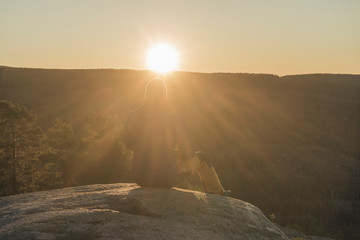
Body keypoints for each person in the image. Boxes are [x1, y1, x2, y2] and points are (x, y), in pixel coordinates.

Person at [123, 77, 226, 195]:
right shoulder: (175, 119)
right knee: (202, 157)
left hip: (141, 177)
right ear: (164, 96)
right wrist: (173, 151)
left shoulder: (134, 116)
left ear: (147, 95)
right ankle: (218, 193)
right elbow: (189, 153)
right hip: (167, 178)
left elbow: (127, 143)